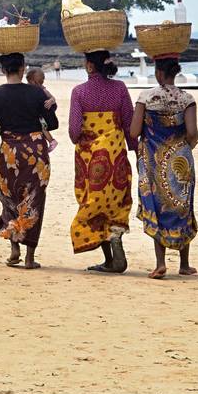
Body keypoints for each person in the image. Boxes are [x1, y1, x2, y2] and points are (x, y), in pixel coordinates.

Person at [0, 52, 59, 269]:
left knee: (9, 198)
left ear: (3, 70)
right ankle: (30, 257)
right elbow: (52, 124)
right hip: (35, 153)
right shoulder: (36, 93)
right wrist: (51, 104)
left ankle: (14, 250)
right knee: (34, 200)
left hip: (9, 153)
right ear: (23, 68)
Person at [129, 56, 198, 279]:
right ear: (175, 73)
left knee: (158, 207)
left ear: (158, 73)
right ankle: (184, 263)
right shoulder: (187, 99)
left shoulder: (145, 98)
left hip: (152, 159)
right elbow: (192, 133)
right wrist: (184, 148)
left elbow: (133, 131)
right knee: (182, 206)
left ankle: (160, 263)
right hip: (180, 158)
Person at [68, 50, 136, 273]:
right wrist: (135, 149)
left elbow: (73, 132)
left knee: (94, 202)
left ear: (89, 66)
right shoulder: (120, 89)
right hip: (115, 154)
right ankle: (114, 247)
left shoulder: (79, 92)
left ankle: (110, 258)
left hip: (90, 159)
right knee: (115, 202)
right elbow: (129, 124)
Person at [25, 67, 59, 153]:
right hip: (35, 116)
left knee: (43, 128)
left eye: (43, 79)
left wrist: (51, 101)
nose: (42, 81)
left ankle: (52, 141)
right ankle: (51, 141)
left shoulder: (42, 89)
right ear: (31, 80)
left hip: (40, 116)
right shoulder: (26, 88)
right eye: (40, 79)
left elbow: (52, 97)